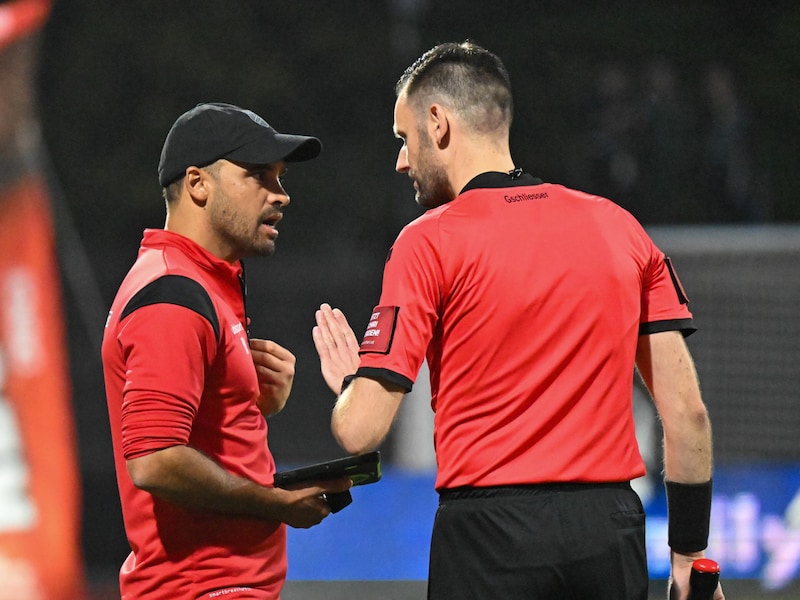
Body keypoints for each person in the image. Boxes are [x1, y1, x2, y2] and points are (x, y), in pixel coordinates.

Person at [312, 43, 724, 600]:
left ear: (439, 123)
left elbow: (359, 431)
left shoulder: (428, 241)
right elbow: (688, 415)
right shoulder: (619, 228)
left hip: (488, 534)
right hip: (607, 529)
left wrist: (347, 384)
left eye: (403, 139)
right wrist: (689, 556)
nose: (401, 161)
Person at [101, 102, 351, 600]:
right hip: (199, 589)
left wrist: (251, 404)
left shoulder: (200, 284)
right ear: (198, 184)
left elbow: (198, 438)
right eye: (259, 175)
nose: (280, 195)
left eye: (280, 179)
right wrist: (275, 502)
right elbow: (154, 459)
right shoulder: (173, 293)